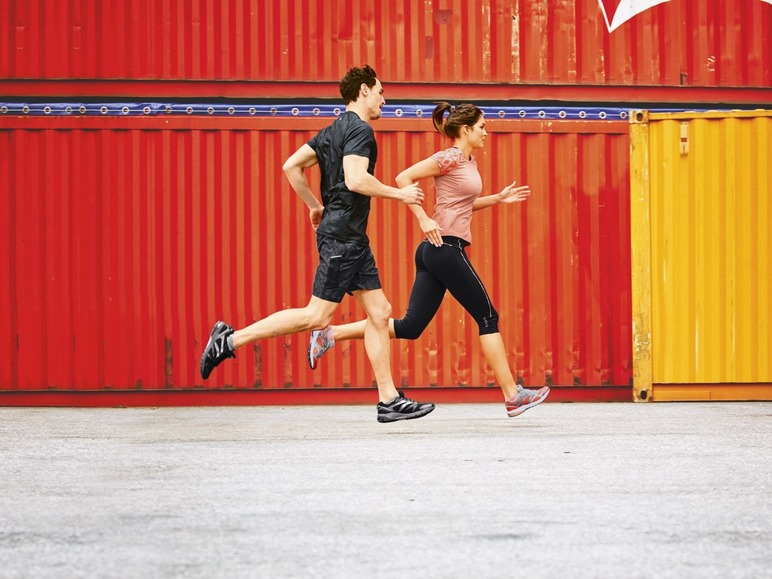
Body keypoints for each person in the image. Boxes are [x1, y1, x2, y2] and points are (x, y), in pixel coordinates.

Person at [199, 65, 436, 423]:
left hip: (349, 235)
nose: (384, 100)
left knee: (380, 312)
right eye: (380, 92)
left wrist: (314, 206)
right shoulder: (359, 130)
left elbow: (291, 166)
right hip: (342, 236)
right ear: (363, 91)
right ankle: (229, 340)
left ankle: (388, 400)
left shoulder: (331, 131)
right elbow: (356, 180)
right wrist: (400, 194)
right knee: (317, 316)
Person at [307, 102, 550, 417]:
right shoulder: (449, 157)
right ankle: (513, 396)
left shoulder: (468, 161)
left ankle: (329, 335)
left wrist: (497, 199)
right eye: (482, 127)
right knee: (488, 316)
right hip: (443, 248)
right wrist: (422, 218)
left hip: (435, 251)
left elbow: (461, 205)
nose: (486, 133)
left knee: (411, 326)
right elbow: (403, 178)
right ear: (466, 130)